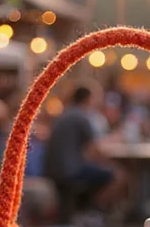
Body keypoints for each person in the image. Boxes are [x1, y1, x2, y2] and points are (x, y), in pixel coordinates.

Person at [44, 84, 124, 219]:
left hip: (53, 168)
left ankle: (86, 211)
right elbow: (95, 149)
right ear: (88, 99)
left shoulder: (65, 114)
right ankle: (92, 212)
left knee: (101, 172)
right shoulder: (81, 117)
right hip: (70, 170)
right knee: (118, 176)